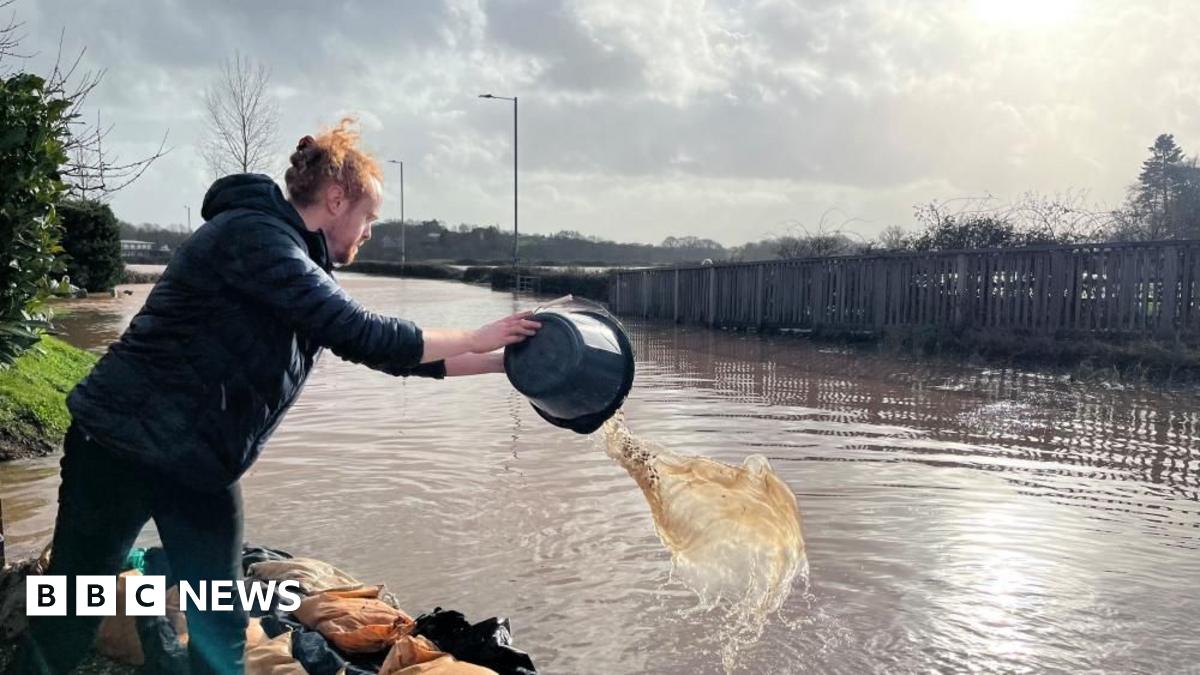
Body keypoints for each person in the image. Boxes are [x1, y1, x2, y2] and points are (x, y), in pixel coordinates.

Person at [7, 118, 541, 675]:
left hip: (199, 465)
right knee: (69, 612)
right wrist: (477, 333)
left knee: (220, 618)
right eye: (369, 218)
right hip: (119, 446)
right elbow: (362, 329)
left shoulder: (295, 261)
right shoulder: (254, 236)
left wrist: (507, 362)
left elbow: (384, 353)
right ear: (337, 199)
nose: (369, 233)